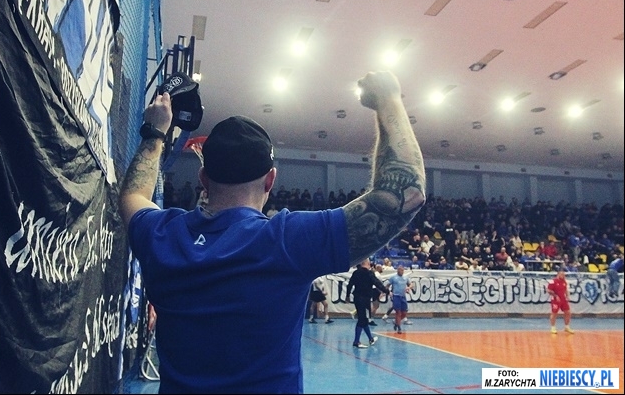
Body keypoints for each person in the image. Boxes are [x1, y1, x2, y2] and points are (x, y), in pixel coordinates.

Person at [118, 71, 426, 393]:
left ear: (203, 179)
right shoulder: (286, 241)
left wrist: (155, 132)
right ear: (270, 180)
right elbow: (406, 195)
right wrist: (389, 98)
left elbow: (132, 195)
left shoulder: (162, 235)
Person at [346, 258, 389, 348]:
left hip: (357, 298)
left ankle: (370, 339)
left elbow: (350, 284)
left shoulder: (356, 273)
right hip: (365, 299)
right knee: (362, 319)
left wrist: (347, 296)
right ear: (368, 264)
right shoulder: (369, 273)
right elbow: (377, 283)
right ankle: (356, 341)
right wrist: (386, 291)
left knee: (364, 319)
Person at [546, 267, 574, 334]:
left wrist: (567, 296)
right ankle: (553, 327)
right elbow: (548, 290)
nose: (563, 276)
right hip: (555, 300)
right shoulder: (553, 281)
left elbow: (565, 289)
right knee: (554, 313)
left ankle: (567, 327)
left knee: (568, 312)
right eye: (562, 275)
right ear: (558, 274)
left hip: (563, 299)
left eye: (564, 275)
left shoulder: (564, 281)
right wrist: (555, 296)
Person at [387, 265, 412, 333]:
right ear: (397, 271)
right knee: (398, 312)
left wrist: (409, 287)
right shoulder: (393, 278)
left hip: (403, 296)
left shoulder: (405, 277)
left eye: (402, 270)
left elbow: (410, 284)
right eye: (400, 270)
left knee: (404, 313)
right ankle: (399, 327)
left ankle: (396, 323)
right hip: (396, 296)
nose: (401, 271)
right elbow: (387, 285)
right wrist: (389, 292)